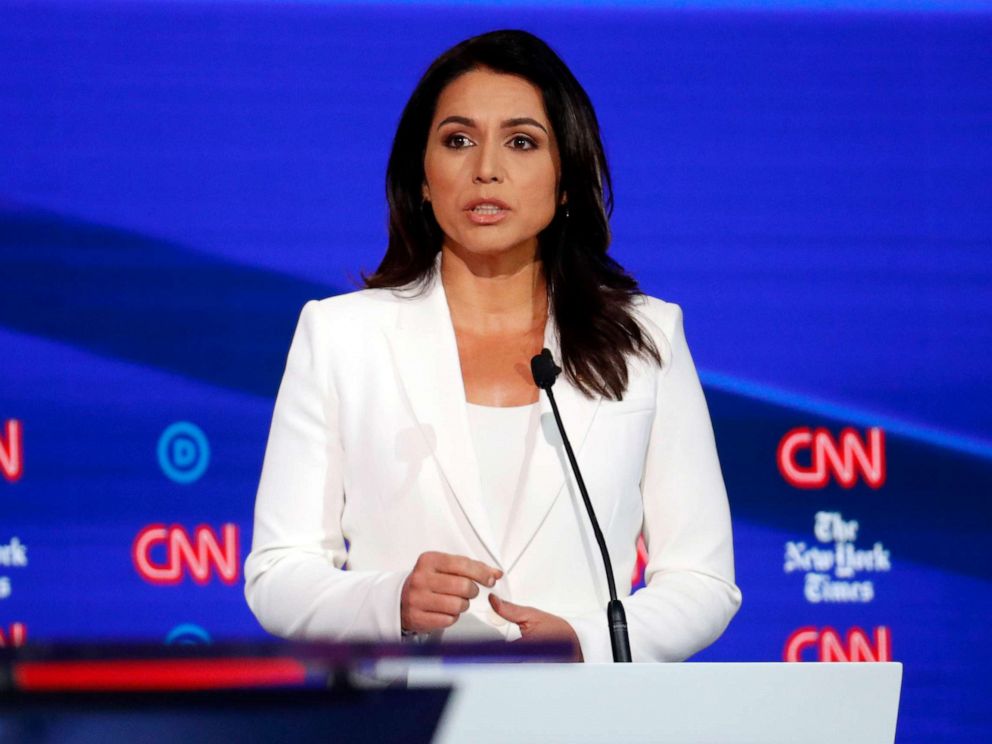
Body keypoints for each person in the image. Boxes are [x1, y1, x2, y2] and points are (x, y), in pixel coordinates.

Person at [244, 29, 741, 663]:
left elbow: (702, 581)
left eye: (521, 141)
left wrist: (584, 643)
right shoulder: (342, 335)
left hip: (584, 718)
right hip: (408, 717)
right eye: (457, 140)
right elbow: (279, 573)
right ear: (422, 178)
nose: (486, 168)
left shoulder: (646, 337)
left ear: (565, 182)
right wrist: (389, 599)